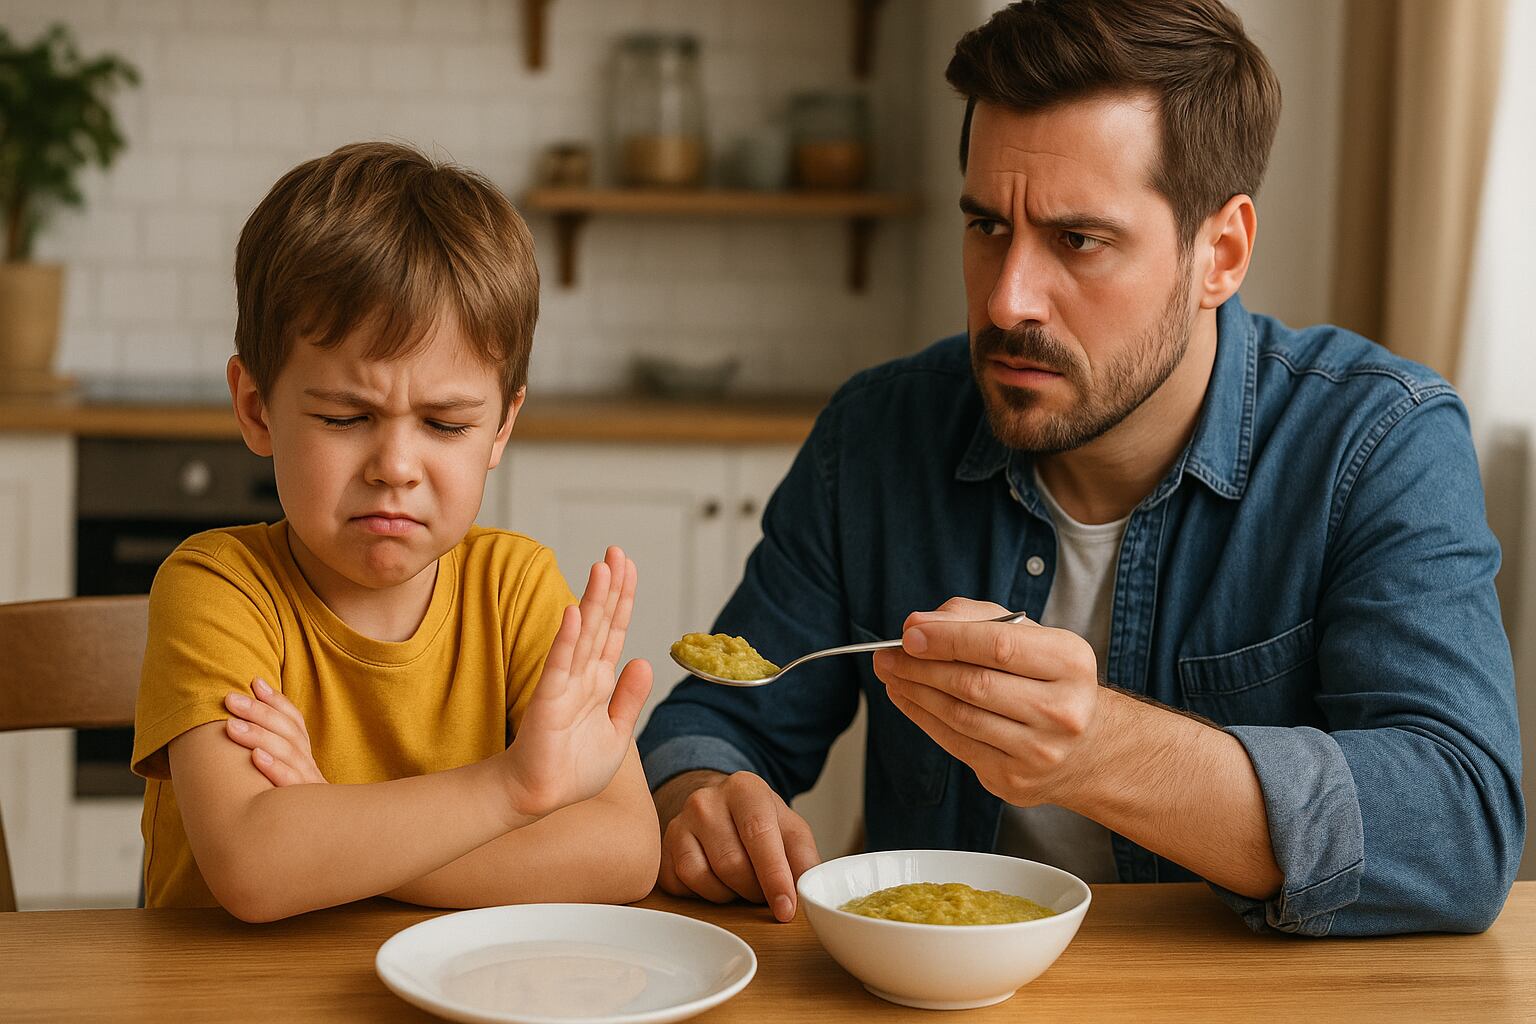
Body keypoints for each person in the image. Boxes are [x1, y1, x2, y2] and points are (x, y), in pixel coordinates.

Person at [638, 0, 1525, 936]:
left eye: (1079, 241)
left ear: (1219, 252)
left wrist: (1100, 748)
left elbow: (1461, 830)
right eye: (985, 226)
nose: (1009, 296)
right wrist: (700, 793)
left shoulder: (1377, 441)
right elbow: (722, 717)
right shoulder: (877, 433)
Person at [131, 142, 658, 922]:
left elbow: (623, 851)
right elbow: (256, 865)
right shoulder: (216, 587)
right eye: (347, 417)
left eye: (446, 424)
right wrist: (514, 790)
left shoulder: (515, 588)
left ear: (503, 426)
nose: (396, 467)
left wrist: (332, 822)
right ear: (255, 409)